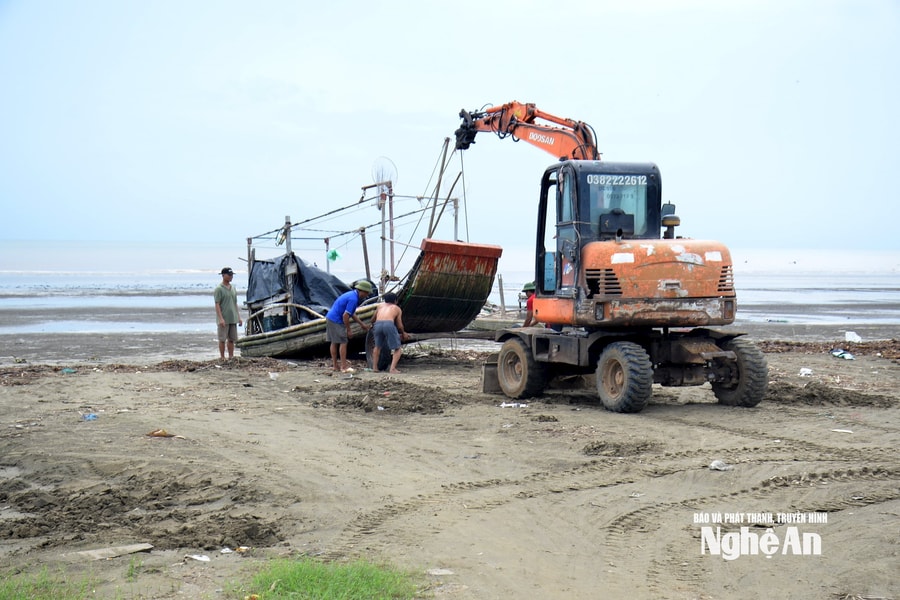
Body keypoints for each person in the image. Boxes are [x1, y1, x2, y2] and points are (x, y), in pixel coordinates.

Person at [325, 280, 372, 372]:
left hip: (331, 317)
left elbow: (352, 313)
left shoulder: (351, 295)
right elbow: (345, 316)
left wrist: (362, 324)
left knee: (334, 342)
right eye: (366, 293)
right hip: (337, 320)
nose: (366, 295)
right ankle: (344, 366)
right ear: (361, 291)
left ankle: (335, 366)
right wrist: (348, 330)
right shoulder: (353, 299)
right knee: (343, 342)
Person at [370, 292, 410, 374]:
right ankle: (392, 369)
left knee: (377, 347)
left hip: (377, 324)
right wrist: (403, 333)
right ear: (395, 300)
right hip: (389, 324)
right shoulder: (396, 308)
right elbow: (399, 325)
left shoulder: (380, 306)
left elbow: (372, 319)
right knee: (397, 348)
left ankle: (375, 367)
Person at [214, 267, 243, 359]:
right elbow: (217, 304)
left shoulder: (233, 288)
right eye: (229, 275)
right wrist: (221, 318)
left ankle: (231, 356)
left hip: (232, 318)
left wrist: (238, 317)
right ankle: (222, 357)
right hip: (224, 318)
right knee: (222, 339)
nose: (231, 277)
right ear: (223, 275)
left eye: (232, 275)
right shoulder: (219, 289)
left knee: (232, 339)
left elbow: (235, 303)